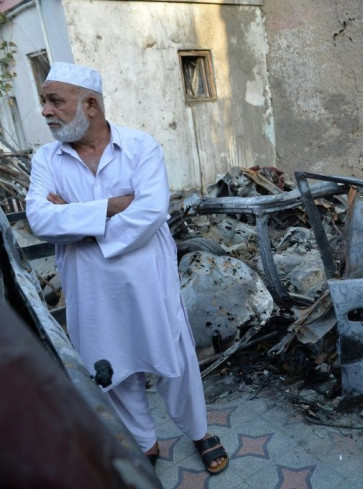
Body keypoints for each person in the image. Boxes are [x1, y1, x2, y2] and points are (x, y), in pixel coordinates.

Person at [25, 62, 229, 475]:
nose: (45, 111)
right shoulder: (46, 158)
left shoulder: (141, 146)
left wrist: (79, 221)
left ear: (92, 105)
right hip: (90, 285)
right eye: (44, 101)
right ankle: (145, 443)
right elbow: (40, 220)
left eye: (55, 101)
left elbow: (152, 211)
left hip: (147, 278)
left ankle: (199, 430)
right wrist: (113, 205)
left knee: (173, 357)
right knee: (111, 364)